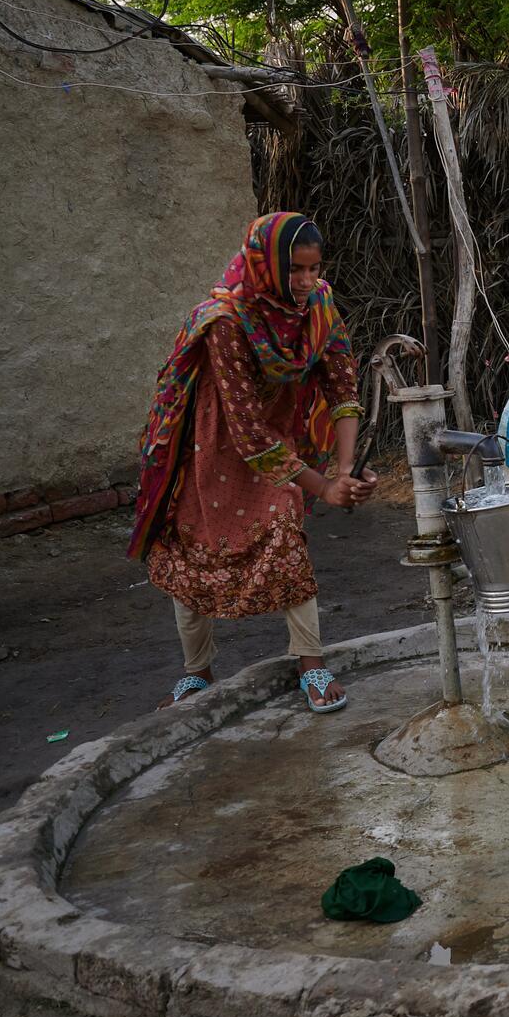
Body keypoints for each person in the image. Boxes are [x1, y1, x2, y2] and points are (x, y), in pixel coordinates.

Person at [127, 210, 376, 712]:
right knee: (190, 548)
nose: (306, 281)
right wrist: (323, 487)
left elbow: (341, 385)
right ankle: (196, 673)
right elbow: (246, 429)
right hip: (213, 439)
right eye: (296, 270)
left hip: (278, 433)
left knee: (284, 526)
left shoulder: (318, 304)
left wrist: (344, 471)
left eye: (313, 268)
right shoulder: (227, 320)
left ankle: (310, 661)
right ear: (267, 265)